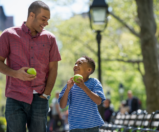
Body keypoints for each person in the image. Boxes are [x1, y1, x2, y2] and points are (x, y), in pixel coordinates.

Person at [0, 1, 61, 132]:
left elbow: (53, 69)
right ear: (31, 15)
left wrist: (46, 95)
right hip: (15, 97)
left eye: (48, 20)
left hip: (40, 98)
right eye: (43, 18)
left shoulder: (50, 39)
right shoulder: (8, 35)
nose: (46, 23)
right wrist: (16, 73)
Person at [58, 56, 106, 132]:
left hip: (92, 126)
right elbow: (62, 106)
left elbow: (98, 101)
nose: (75, 65)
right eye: (75, 63)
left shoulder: (94, 82)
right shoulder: (70, 85)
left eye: (79, 63)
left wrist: (83, 87)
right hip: (75, 127)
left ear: (89, 70)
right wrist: (67, 89)